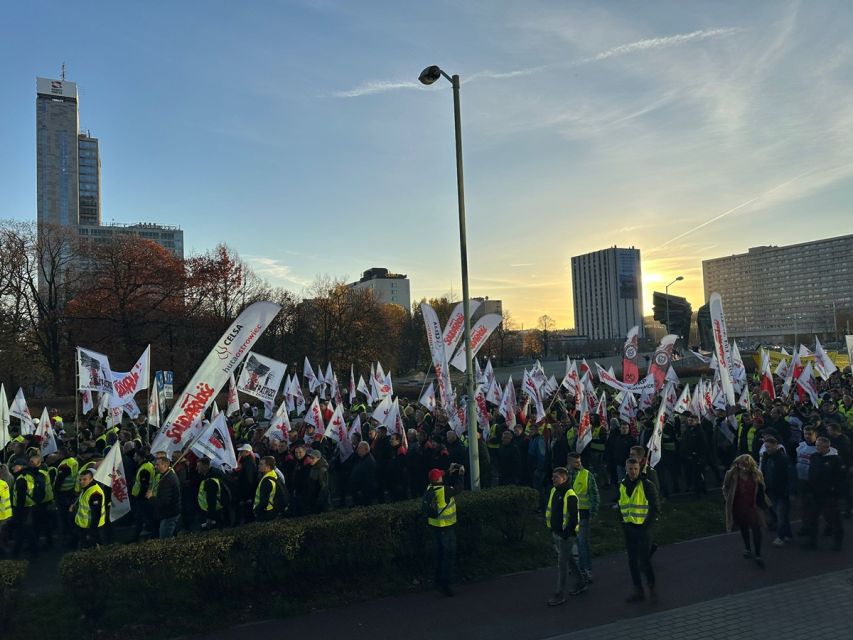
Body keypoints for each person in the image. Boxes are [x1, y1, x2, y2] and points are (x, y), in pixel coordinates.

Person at [619, 457, 660, 603]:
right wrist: (623, 523)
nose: (633, 472)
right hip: (629, 527)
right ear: (626, 469)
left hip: (643, 529)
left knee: (644, 560)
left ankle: (651, 586)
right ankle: (638, 590)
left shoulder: (647, 485)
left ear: (639, 469)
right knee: (632, 561)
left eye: (636, 469)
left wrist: (646, 526)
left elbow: (655, 508)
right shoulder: (622, 485)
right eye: (630, 469)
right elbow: (621, 504)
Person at [545, 466, 583, 606]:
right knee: (569, 560)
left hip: (566, 535)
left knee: (562, 564)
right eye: (553, 476)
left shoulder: (570, 495)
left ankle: (560, 594)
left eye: (556, 477)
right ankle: (581, 583)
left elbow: (573, 518)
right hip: (557, 533)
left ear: (564, 478)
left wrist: (565, 534)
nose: (553, 479)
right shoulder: (554, 491)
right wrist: (551, 528)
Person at [723, 454, 770, 567]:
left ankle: (758, 554)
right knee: (744, 528)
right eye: (741, 465)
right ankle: (748, 548)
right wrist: (728, 499)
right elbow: (725, 487)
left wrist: (761, 499)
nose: (743, 467)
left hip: (753, 507)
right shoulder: (731, 474)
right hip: (739, 507)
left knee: (757, 530)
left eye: (746, 465)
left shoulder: (756, 474)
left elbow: (762, 486)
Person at [425, 464, 464, 597]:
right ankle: (445, 585)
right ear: (438, 479)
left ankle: (437, 581)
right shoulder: (444, 491)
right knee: (449, 556)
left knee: (440, 555)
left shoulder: (430, 488)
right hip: (446, 527)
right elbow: (459, 488)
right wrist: (461, 474)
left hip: (435, 526)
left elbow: (438, 478)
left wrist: (448, 471)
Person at [804, 436, 844, 551]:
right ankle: (812, 541)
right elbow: (811, 473)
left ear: (826, 447)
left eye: (818, 446)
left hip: (829, 495)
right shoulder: (814, 456)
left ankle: (838, 543)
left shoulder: (836, 460)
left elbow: (841, 478)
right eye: (816, 445)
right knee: (812, 518)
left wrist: (835, 491)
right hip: (815, 494)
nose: (816, 447)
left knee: (834, 519)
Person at [567, 452, 599, 584]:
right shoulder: (564, 475)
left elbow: (594, 494)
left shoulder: (587, 475)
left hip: (583, 514)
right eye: (575, 462)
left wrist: (593, 512)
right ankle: (576, 568)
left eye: (579, 461)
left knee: (582, 542)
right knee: (571, 541)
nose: (578, 464)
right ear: (569, 462)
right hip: (569, 514)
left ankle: (586, 570)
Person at [759, 436, 792, 546]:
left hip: (781, 492)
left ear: (775, 446)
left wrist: (789, 491)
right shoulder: (766, 457)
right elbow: (763, 471)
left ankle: (781, 537)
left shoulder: (783, 459)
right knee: (781, 515)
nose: (767, 449)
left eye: (769, 447)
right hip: (771, 491)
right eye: (766, 447)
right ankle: (788, 534)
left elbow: (788, 477)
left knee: (781, 515)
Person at [146, 456, 181, 538]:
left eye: (157, 465)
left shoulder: (167, 479)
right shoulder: (165, 476)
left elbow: (164, 501)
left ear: (164, 465)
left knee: (164, 539)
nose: (155, 467)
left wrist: (151, 497)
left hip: (169, 515)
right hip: (169, 513)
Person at [72, 469, 105, 549]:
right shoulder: (87, 488)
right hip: (84, 525)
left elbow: (96, 514)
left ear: (91, 479)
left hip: (90, 527)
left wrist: (92, 532)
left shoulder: (95, 493)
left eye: (84, 479)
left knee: (91, 549)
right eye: (80, 479)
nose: (81, 482)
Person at [198, 458, 230, 529]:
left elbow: (211, 499)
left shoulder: (211, 480)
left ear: (205, 466)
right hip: (222, 506)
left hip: (218, 509)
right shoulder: (212, 473)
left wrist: (210, 517)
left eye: (199, 466)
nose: (197, 468)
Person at [350, 441, 377, 506]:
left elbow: (368, 479)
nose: (357, 450)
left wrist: (361, 490)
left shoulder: (369, 461)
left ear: (366, 449)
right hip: (359, 491)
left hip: (364, 493)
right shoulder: (362, 458)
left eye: (360, 448)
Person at [253, 456, 280, 522]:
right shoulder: (273, 474)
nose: (258, 466)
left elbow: (264, 501)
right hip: (272, 509)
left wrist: (256, 510)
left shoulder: (267, 481)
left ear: (268, 467)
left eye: (261, 464)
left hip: (266, 512)